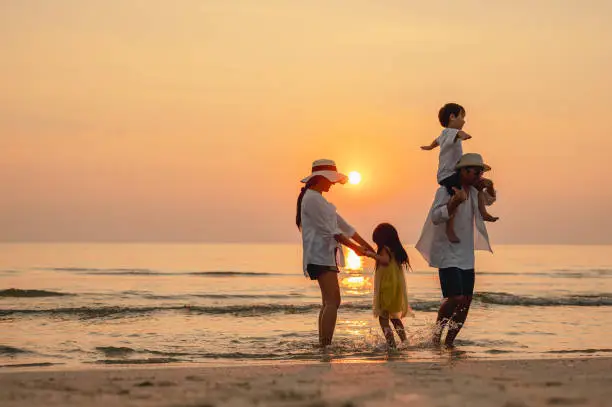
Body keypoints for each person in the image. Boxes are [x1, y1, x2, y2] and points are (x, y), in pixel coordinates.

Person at [415, 153, 497, 347]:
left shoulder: (475, 192)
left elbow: (489, 201)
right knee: (454, 297)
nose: (479, 176)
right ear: (463, 171)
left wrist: (490, 186)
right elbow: (436, 217)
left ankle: (449, 342)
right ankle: (436, 336)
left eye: (481, 172)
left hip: (467, 255)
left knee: (466, 301)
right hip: (447, 253)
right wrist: (454, 201)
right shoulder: (445, 191)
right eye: (476, 172)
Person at [297, 159, 375, 347]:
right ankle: (325, 345)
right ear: (320, 178)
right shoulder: (312, 199)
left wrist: (367, 246)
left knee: (329, 301)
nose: (333, 183)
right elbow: (332, 232)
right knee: (333, 301)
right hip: (319, 256)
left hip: (324, 255)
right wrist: (357, 249)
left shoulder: (318, 199)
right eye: (330, 180)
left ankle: (324, 343)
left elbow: (344, 226)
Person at [421, 103, 498, 243]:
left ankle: (483, 213)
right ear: (452, 117)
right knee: (456, 197)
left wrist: (429, 147)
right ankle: (450, 228)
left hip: (448, 173)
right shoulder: (451, 132)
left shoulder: (443, 135)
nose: (464, 120)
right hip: (449, 174)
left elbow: (435, 142)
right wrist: (464, 135)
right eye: (462, 116)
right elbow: (459, 134)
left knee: (478, 187)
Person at [368, 223, 413, 348]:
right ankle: (404, 341)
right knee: (394, 317)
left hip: (386, 288)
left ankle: (391, 344)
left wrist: (371, 255)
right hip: (395, 289)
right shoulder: (396, 251)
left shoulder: (385, 249)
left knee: (383, 318)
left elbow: (385, 261)